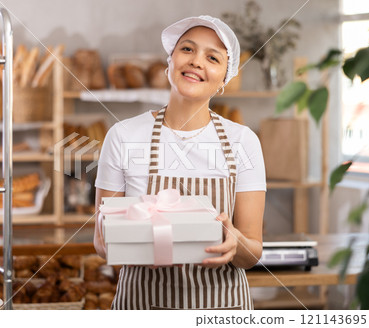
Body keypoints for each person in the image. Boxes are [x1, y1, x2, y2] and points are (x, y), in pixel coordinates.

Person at [93, 15, 266, 310]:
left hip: (222, 310)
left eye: (212, 57)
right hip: (142, 307)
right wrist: (134, 246)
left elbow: (253, 251)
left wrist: (234, 243)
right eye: (187, 49)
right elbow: (100, 240)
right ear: (169, 62)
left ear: (225, 78)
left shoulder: (243, 141)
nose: (197, 61)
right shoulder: (123, 135)